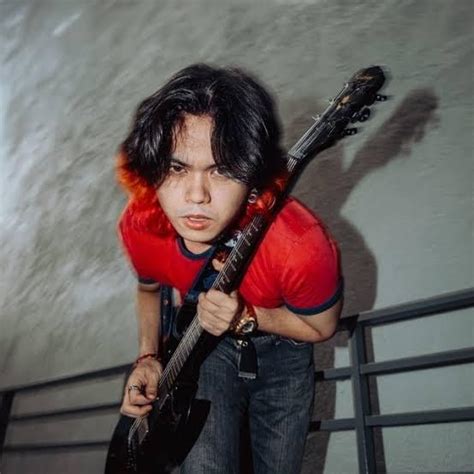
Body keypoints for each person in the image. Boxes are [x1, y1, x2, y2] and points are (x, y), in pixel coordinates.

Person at [116, 63, 343, 474]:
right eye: (177, 168)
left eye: (221, 170)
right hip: (207, 347)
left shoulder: (300, 245)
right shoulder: (141, 226)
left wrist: (246, 316)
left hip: (285, 355)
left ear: (252, 176)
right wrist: (147, 356)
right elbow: (148, 289)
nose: (196, 196)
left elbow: (322, 327)